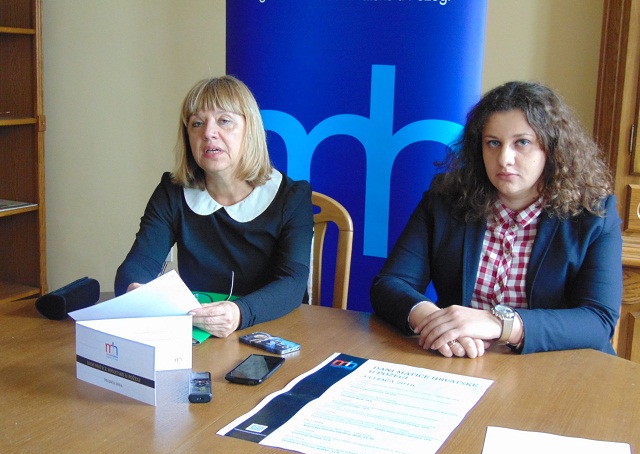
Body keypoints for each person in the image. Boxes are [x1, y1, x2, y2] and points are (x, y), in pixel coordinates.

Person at [370, 81, 622, 358]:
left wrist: (500, 323)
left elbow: (598, 320)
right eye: (493, 143)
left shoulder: (593, 213)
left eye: (522, 143)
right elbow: (390, 284)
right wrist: (437, 322)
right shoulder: (445, 200)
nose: (504, 159)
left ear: (551, 148)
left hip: (557, 366)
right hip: (464, 359)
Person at [115, 76, 314, 337]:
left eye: (224, 121)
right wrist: (136, 292)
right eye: (197, 123)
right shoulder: (172, 191)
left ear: (250, 130)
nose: (208, 133)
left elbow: (293, 283)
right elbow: (139, 262)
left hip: (272, 331)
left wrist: (238, 313)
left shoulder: (292, 197)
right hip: (200, 332)